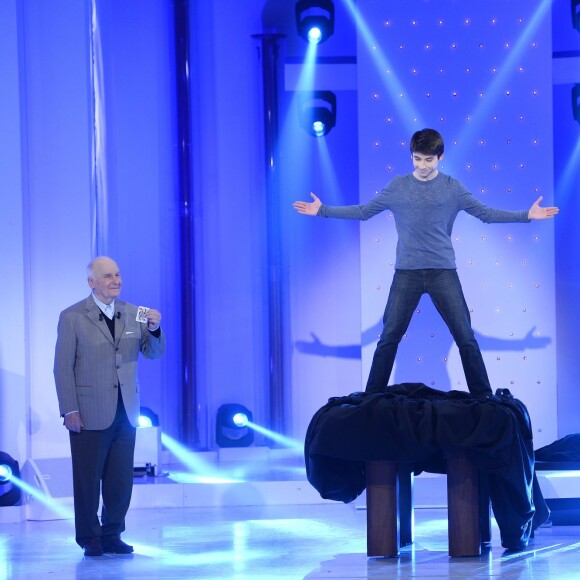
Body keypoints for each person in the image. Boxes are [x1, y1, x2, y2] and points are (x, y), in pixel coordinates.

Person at [293, 128, 559, 399]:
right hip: (406, 273)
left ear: (440, 157)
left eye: (428, 160)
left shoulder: (452, 188)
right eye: (417, 159)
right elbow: (363, 212)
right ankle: (370, 400)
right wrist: (323, 210)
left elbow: (486, 214)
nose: (422, 165)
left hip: (443, 272)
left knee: (466, 338)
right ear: (411, 156)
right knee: (388, 339)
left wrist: (527, 215)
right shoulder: (397, 187)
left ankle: (485, 400)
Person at [54, 256, 166, 557]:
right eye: (107, 276)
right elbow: (63, 368)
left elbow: (153, 354)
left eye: (118, 275)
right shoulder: (73, 316)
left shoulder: (135, 313)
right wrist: (70, 409)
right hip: (89, 411)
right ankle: (89, 537)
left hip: (126, 410)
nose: (115, 280)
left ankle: (112, 532)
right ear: (92, 282)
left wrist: (155, 329)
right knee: (88, 478)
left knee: (120, 479)